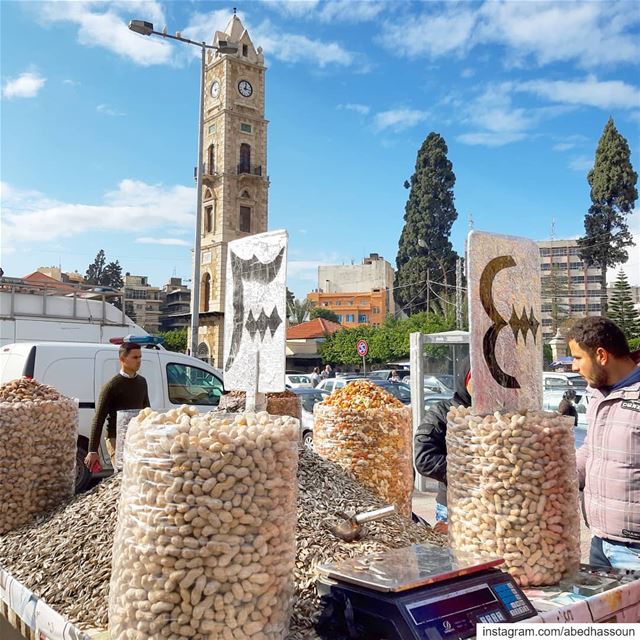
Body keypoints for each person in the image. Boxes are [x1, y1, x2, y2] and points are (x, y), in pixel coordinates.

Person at [568, 317, 640, 570]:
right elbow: (592, 450)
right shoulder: (599, 395)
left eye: (577, 358)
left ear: (601, 355)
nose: (574, 367)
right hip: (600, 542)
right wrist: (555, 478)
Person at [414, 360, 472, 534]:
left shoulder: (498, 413)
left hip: (491, 508)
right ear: (465, 380)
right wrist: (469, 472)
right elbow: (424, 459)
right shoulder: (442, 412)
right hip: (454, 505)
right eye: (476, 377)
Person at [84, 342, 150, 470]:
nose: (139, 361)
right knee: (122, 473)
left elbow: (146, 411)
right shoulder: (112, 386)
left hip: (136, 437)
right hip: (116, 439)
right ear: (122, 359)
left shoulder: (142, 382)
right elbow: (98, 419)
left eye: (140, 357)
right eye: (135, 357)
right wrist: (92, 450)